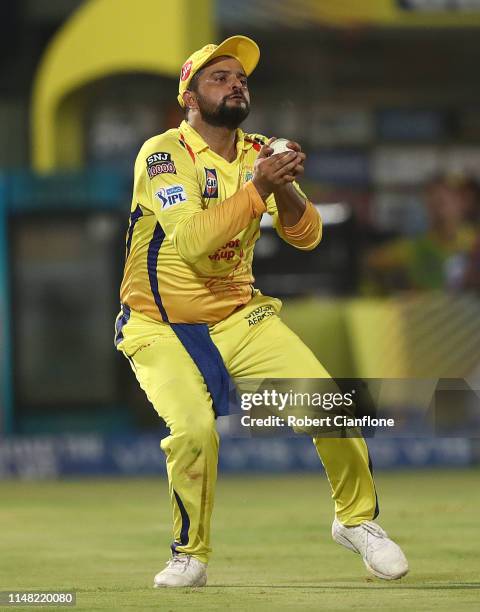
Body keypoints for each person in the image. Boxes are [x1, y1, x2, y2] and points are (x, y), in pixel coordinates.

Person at [114, 35, 408, 588]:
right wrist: (259, 188)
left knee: (330, 403)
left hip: (239, 316)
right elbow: (194, 244)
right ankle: (189, 555)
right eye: (220, 77)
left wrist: (286, 187)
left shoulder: (259, 152)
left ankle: (358, 521)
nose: (236, 83)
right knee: (195, 430)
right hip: (159, 325)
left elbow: (308, 236)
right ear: (191, 98)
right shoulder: (162, 154)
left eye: (241, 77)